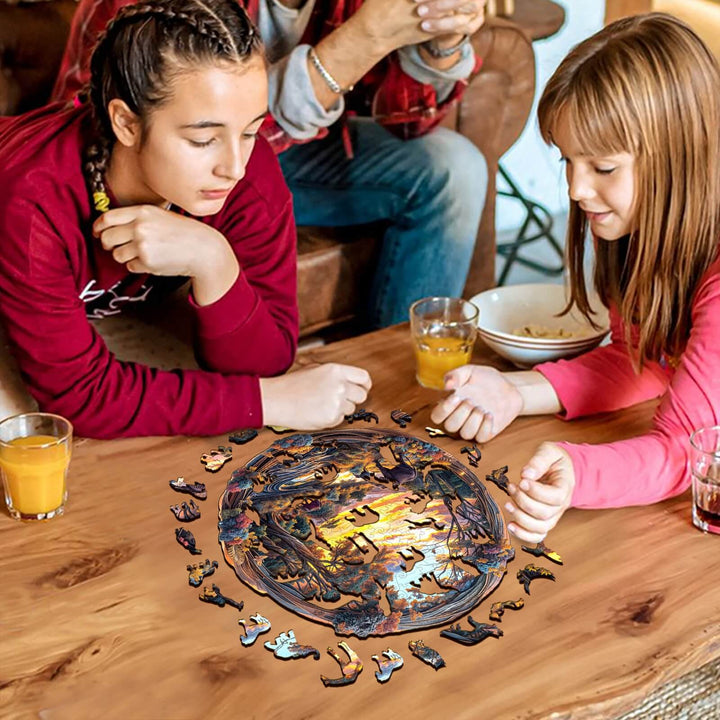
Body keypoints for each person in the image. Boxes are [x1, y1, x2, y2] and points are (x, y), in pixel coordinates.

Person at [0, 0, 371, 438]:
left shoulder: (247, 170)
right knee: (21, 433)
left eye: (250, 131)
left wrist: (214, 261)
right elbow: (82, 399)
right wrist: (270, 401)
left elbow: (268, 359)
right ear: (126, 123)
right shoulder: (32, 200)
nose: (234, 166)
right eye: (203, 139)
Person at [430, 13, 720, 542]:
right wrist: (515, 391)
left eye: (603, 168)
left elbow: (688, 449)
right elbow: (644, 359)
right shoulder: (642, 232)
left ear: (682, 158)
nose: (575, 189)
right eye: (568, 160)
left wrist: (579, 472)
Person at [51, 0, 489, 328]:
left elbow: (410, 125)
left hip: (288, 149)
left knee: (454, 167)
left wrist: (441, 42)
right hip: (153, 164)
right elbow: (105, 137)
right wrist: (362, 40)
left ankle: (402, 376)